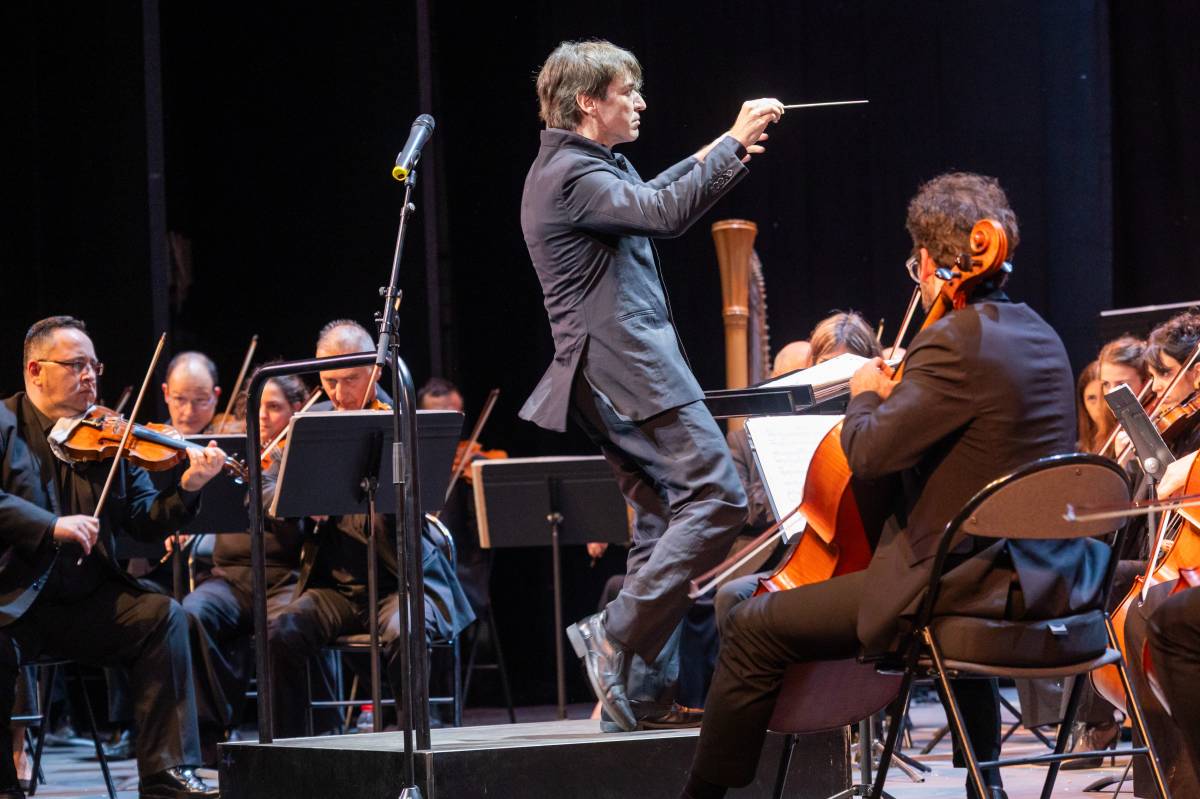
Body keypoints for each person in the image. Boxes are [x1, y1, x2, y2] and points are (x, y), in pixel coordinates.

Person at [682, 172, 1108, 799]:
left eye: (919, 261)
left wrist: (863, 396)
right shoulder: (1042, 336)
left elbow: (869, 452)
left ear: (935, 260)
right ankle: (982, 786)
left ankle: (703, 794)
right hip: (1052, 579)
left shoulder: (952, 344)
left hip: (959, 589)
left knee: (749, 621)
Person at [519, 38, 781, 732]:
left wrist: (723, 152)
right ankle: (614, 632)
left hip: (604, 372)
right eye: (625, 92)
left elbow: (654, 195)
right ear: (587, 102)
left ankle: (636, 694)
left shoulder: (578, 169)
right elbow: (661, 211)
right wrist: (727, 141)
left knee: (665, 520)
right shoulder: (572, 174)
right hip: (626, 367)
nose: (639, 101)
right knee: (719, 494)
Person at [0, 315, 226, 799]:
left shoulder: (110, 437)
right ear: (36, 370)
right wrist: (51, 525)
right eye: (76, 365)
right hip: (13, 602)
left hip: (84, 602)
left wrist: (188, 486)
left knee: (164, 616)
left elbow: (145, 519)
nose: (91, 376)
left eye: (94, 366)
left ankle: (167, 774)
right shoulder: (4, 424)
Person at [264, 320, 475, 737]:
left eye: (350, 381)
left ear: (376, 372)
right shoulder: (311, 424)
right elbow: (267, 488)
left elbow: (424, 500)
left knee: (405, 630)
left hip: (402, 582)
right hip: (338, 588)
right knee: (283, 631)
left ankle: (413, 743)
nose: (339, 395)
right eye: (329, 382)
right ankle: (289, 752)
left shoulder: (403, 422)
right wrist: (296, 501)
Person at [182, 372, 308, 761]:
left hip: (284, 579)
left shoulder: (303, 455)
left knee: (285, 629)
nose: (264, 416)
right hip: (230, 579)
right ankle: (212, 734)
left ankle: (288, 745)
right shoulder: (233, 454)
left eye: (274, 407)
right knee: (191, 614)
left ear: (296, 411)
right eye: (257, 408)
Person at [1076, 360, 1113, 454]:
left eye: (1104, 397)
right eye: (1092, 398)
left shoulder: (1125, 442)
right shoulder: (1079, 450)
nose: (1099, 406)